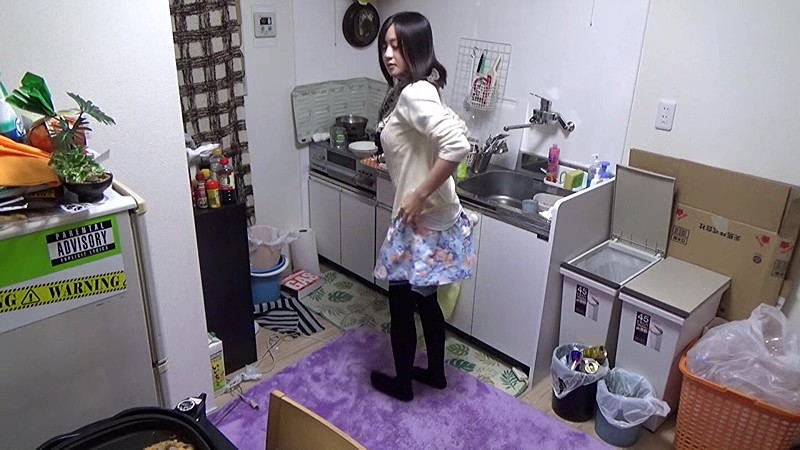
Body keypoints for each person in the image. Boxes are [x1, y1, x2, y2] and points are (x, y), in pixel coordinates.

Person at [371, 11, 475, 402]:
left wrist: (416, 194)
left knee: (400, 302)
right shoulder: (423, 86)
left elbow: (458, 145)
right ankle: (435, 373)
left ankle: (402, 384)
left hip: (420, 217)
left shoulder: (415, 92)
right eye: (385, 45)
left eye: (397, 46)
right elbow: (440, 137)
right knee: (426, 299)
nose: (388, 54)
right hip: (439, 214)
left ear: (416, 47)